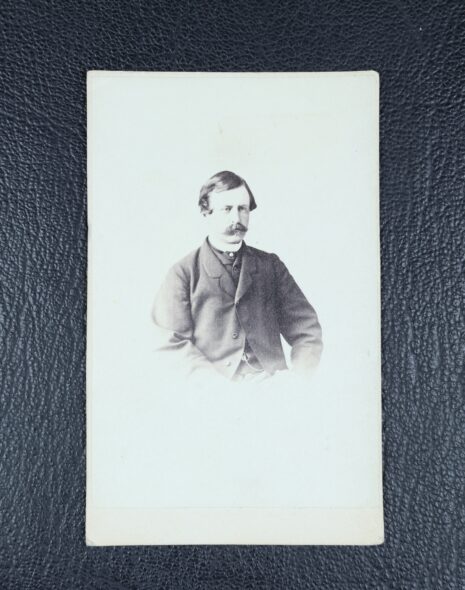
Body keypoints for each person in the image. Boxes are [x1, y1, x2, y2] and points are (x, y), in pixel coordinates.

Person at [152, 171, 322, 382]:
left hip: (272, 388)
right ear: (206, 213)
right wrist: (216, 387)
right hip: (214, 391)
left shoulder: (271, 266)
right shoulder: (183, 273)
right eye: (227, 209)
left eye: (243, 209)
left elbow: (307, 330)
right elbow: (170, 344)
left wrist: (296, 379)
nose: (236, 218)